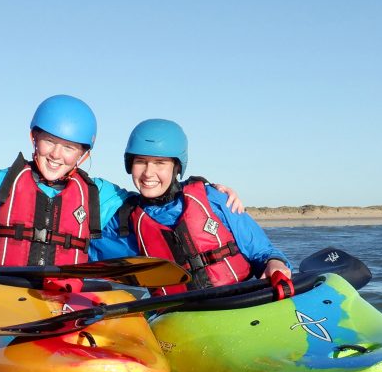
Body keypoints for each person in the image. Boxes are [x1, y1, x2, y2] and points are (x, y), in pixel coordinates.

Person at [0, 95, 242, 283]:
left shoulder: (98, 195)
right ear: (34, 138)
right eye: (50, 141)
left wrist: (202, 191)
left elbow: (156, 197)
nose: (57, 155)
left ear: (84, 155)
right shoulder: (1, 186)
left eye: (70, 148)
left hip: (64, 299)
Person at [95, 119, 292, 295]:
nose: (148, 173)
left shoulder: (213, 199)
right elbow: (79, 247)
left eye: (160, 163)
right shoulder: (123, 223)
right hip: (178, 319)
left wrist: (276, 264)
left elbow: (263, 252)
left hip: (237, 303)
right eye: (140, 162)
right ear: (130, 164)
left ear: (177, 167)